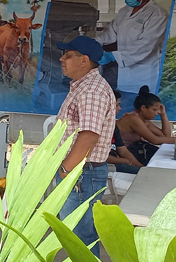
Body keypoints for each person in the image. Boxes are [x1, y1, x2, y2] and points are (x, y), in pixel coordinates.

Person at [54, 36, 115, 258]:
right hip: (80, 172)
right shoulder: (85, 87)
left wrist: (65, 171)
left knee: (80, 237)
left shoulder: (91, 90)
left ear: (84, 60)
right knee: (78, 235)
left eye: (68, 55)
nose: (62, 59)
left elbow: (89, 136)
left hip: (81, 173)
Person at [95, 0, 168, 112]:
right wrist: (94, 42)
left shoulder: (157, 14)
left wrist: (113, 56)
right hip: (124, 76)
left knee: (141, 113)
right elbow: (111, 33)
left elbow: (146, 46)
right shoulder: (125, 11)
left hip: (144, 74)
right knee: (124, 111)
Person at [116, 85, 174, 165]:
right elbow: (155, 140)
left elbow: (166, 136)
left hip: (135, 152)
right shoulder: (132, 119)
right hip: (123, 155)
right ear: (143, 108)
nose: (157, 113)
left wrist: (163, 114)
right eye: (154, 110)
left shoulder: (145, 121)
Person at [107, 91, 143, 174]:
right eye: (116, 105)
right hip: (109, 167)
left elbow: (123, 151)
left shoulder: (113, 126)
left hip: (118, 162)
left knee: (144, 172)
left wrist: (140, 166)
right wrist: (123, 160)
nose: (119, 108)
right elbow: (103, 157)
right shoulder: (96, 127)